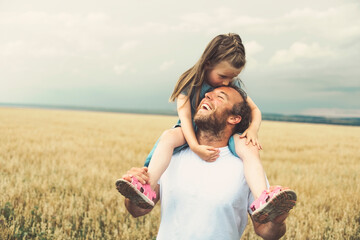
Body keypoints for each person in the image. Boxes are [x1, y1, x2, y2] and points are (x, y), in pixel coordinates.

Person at [116, 33, 289, 222]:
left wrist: (253, 129)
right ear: (208, 63)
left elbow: (254, 109)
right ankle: (146, 187)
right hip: (189, 129)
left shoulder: (231, 83)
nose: (226, 82)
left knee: (248, 147)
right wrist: (194, 146)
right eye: (223, 76)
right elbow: (185, 118)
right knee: (168, 137)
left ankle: (263, 199)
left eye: (232, 78)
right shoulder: (189, 84)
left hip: (221, 133)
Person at [119, 86, 297, 239]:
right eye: (207, 94)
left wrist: (277, 220)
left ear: (234, 119)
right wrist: (133, 191)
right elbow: (137, 210)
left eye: (220, 97)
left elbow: (265, 231)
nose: (207, 96)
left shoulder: (247, 167)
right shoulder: (170, 154)